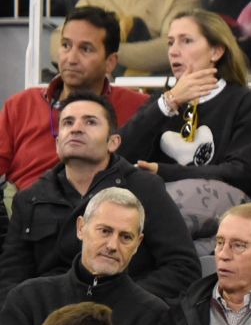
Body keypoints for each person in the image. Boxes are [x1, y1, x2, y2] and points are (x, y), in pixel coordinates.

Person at [0, 98, 199, 311]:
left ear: (113, 142)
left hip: (125, 319)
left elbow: (183, 268)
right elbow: (10, 279)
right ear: (57, 144)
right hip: (48, 322)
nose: (76, 129)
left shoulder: (144, 188)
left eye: (90, 122)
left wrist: (118, 300)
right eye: (67, 122)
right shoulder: (30, 198)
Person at [0, 191, 178, 325]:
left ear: (138, 244)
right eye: (104, 231)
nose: (112, 245)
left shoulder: (152, 314)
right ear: (81, 228)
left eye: (125, 237)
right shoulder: (27, 298)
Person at [117, 12, 251, 214]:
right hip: (162, 205)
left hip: (225, 212)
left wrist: (164, 172)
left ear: (216, 51)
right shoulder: (162, 103)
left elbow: (241, 172)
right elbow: (120, 153)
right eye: (170, 43)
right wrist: (167, 103)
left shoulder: (243, 101)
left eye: (186, 41)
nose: (173, 51)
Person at [0, 8, 147, 194]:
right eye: (66, 45)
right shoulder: (21, 104)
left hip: (102, 212)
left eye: (85, 49)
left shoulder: (138, 107)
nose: (71, 59)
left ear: (110, 62)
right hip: (27, 213)